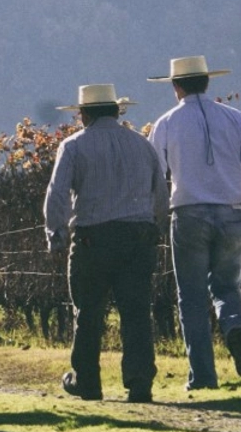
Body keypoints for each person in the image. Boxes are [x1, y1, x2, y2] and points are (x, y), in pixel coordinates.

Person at [148, 56, 241, 391]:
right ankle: (234, 327)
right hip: (231, 212)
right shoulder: (234, 118)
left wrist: (154, 219)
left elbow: (154, 177)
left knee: (191, 297)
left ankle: (204, 376)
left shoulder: (166, 123)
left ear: (176, 86)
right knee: (227, 287)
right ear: (207, 82)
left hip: (188, 214)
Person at [44, 84, 168, 403]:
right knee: (136, 312)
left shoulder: (73, 146)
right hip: (137, 236)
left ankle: (87, 381)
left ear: (83, 115)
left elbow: (57, 194)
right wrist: (156, 228)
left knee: (88, 313)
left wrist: (56, 236)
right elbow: (161, 193)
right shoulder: (142, 145)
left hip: (92, 238)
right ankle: (140, 382)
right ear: (117, 111)